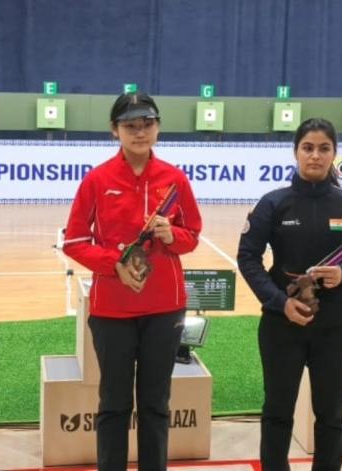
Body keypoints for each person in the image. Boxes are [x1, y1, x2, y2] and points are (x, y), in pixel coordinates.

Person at [62, 91, 202, 470]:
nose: (140, 132)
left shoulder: (175, 179)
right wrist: (114, 264)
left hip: (164, 309)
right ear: (115, 130)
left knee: (156, 403)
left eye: (147, 124)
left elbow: (192, 235)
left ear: (158, 127)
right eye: (130, 126)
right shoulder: (97, 180)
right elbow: (74, 241)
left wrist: (172, 235)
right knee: (114, 403)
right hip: (112, 310)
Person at [236, 118, 342, 471]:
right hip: (281, 325)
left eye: (323, 148)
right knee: (277, 412)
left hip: (335, 328)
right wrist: (279, 302)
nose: (315, 156)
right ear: (296, 152)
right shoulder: (273, 203)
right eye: (308, 148)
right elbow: (248, 257)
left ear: (334, 154)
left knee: (331, 414)